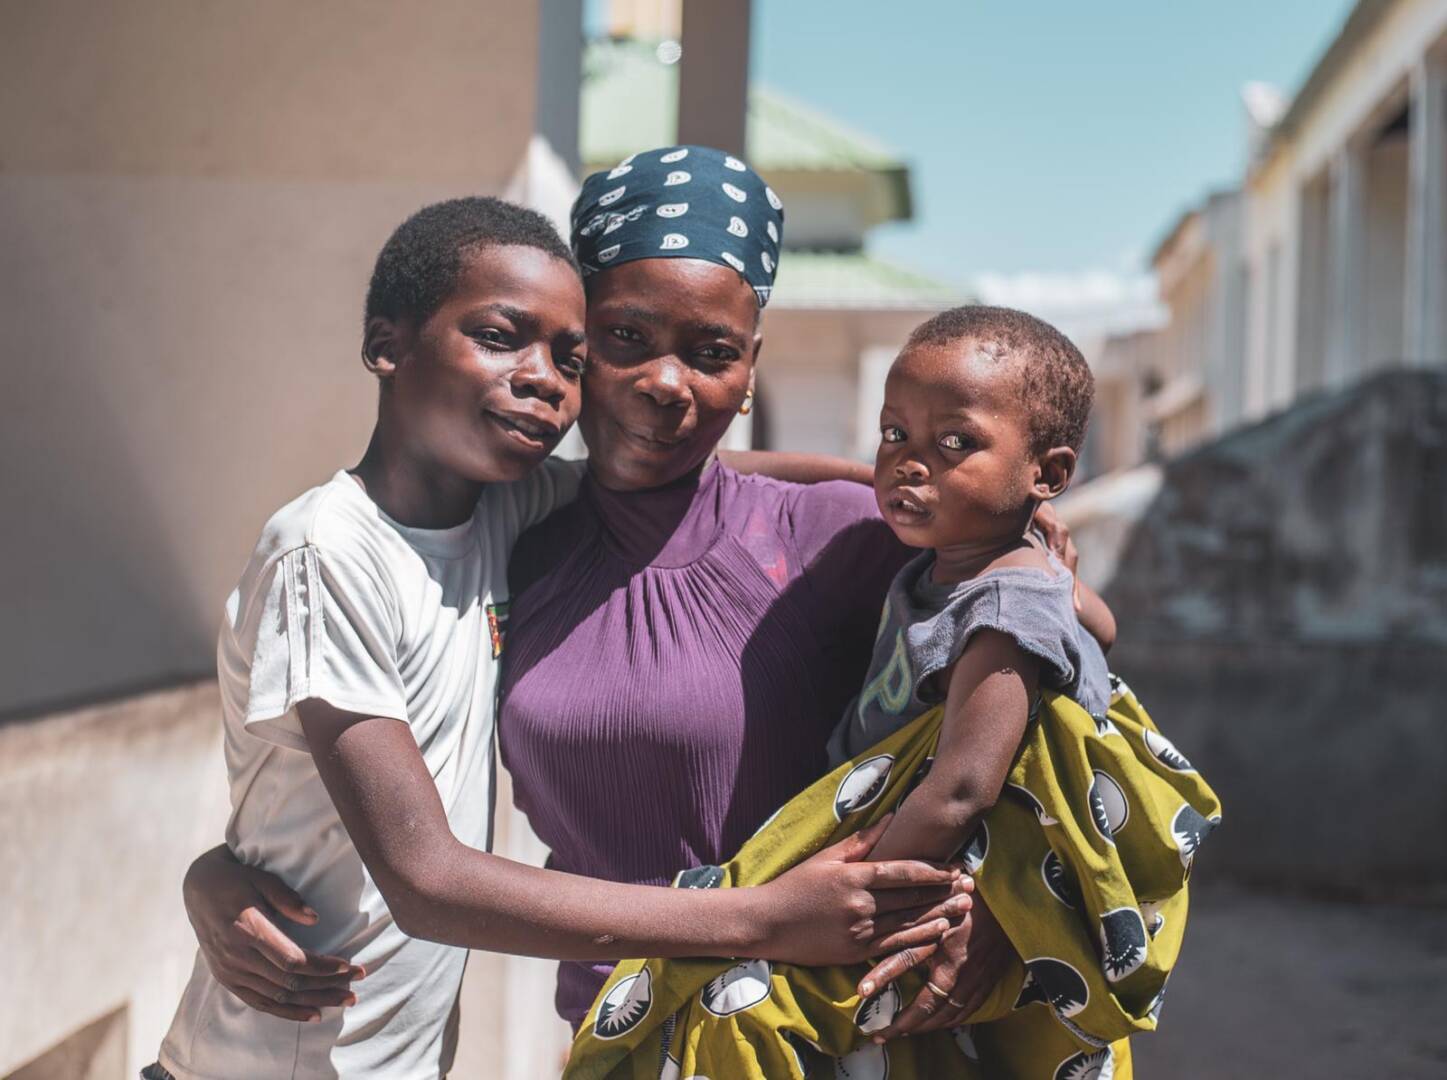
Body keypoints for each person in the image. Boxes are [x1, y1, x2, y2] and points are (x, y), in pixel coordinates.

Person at [144, 195, 966, 1080]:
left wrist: (969, 513)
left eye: (566, 357)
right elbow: (427, 880)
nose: (543, 377)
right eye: (501, 336)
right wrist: (762, 915)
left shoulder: (499, 511)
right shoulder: (332, 552)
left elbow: (694, 472)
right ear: (387, 343)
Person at [564, 306, 1222, 1080]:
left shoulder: (1004, 610)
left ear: (1047, 473)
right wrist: (1046, 554)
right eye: (893, 435)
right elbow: (1097, 621)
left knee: (736, 1008)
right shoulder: (957, 569)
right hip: (909, 866)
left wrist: (849, 893)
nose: (911, 464)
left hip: (920, 883)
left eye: (955, 444)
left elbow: (962, 789)